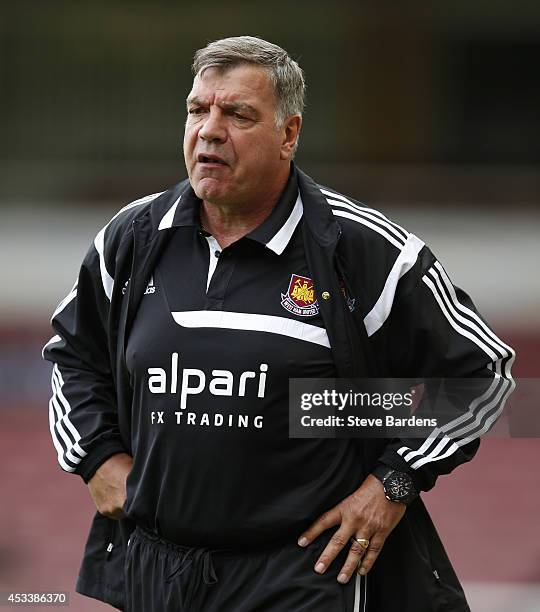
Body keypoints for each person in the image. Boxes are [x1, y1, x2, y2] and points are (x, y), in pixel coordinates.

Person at [43, 36, 515, 611]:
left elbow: (483, 378)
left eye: (238, 114)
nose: (209, 131)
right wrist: (95, 458)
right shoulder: (134, 236)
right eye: (198, 110)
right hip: (157, 571)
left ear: (288, 134)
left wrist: (391, 484)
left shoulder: (361, 249)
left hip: (301, 574)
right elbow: (73, 353)